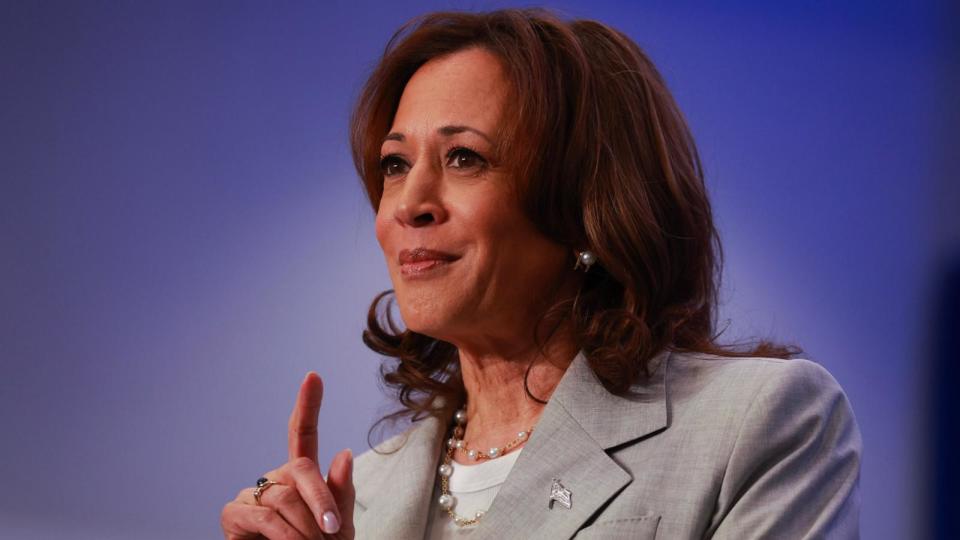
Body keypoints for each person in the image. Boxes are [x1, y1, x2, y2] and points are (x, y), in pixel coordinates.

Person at [220, 8, 861, 539]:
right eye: (394, 164)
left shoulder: (756, 424)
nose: (409, 203)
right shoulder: (354, 496)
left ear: (587, 205)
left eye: (464, 157)